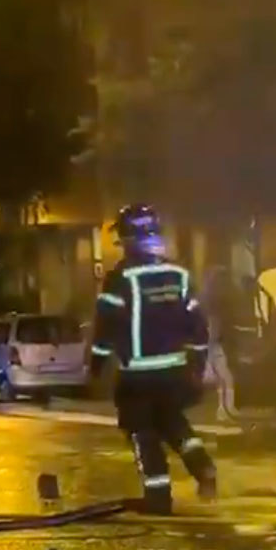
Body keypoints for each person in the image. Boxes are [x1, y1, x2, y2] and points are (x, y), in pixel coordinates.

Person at [89, 204, 218, 515]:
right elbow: (199, 327)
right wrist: (197, 365)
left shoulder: (121, 279)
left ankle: (158, 498)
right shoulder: (179, 275)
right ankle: (204, 469)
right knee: (175, 424)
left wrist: (95, 368)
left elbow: (106, 329)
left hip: (137, 377)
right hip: (175, 371)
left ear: (128, 238)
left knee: (143, 435)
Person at [201, 266, 240, 422]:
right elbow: (212, 325)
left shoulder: (209, 299)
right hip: (212, 345)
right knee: (224, 379)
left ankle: (227, 409)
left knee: (225, 378)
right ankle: (224, 411)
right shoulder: (213, 301)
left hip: (213, 344)